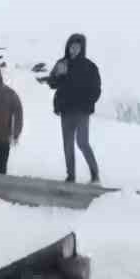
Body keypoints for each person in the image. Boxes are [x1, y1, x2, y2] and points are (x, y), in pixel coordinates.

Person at [41, 32, 101, 184]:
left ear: (81, 48)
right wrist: (58, 75)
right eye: (71, 47)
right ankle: (71, 176)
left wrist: (89, 103)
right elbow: (52, 83)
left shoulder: (89, 66)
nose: (73, 49)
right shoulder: (62, 63)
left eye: (76, 47)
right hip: (66, 110)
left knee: (82, 142)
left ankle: (95, 174)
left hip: (82, 111)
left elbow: (96, 88)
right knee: (67, 144)